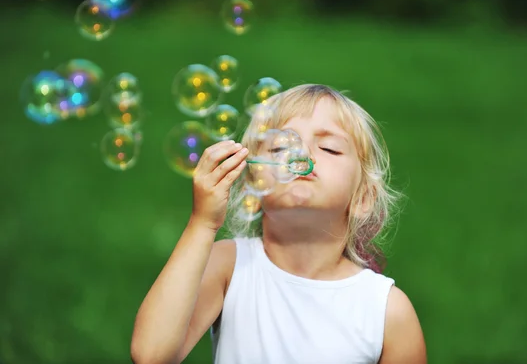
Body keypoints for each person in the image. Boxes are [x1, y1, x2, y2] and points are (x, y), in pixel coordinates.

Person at [130, 84, 427, 364]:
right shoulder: (231, 267)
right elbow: (151, 354)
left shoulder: (386, 311)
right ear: (253, 186)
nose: (302, 154)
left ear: (363, 198)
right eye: (279, 148)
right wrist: (203, 224)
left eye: (330, 148)